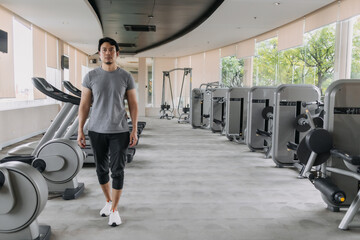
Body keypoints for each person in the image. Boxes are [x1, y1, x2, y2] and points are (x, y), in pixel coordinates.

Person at [77, 37, 138, 226]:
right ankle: (108, 201)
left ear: (117, 53)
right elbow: (84, 105)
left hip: (119, 130)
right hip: (96, 130)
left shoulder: (126, 77)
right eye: (104, 49)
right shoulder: (90, 77)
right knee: (101, 170)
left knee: (117, 171)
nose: (108, 53)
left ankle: (114, 210)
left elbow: (134, 105)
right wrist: (80, 129)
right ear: (99, 53)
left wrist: (134, 129)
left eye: (111, 49)